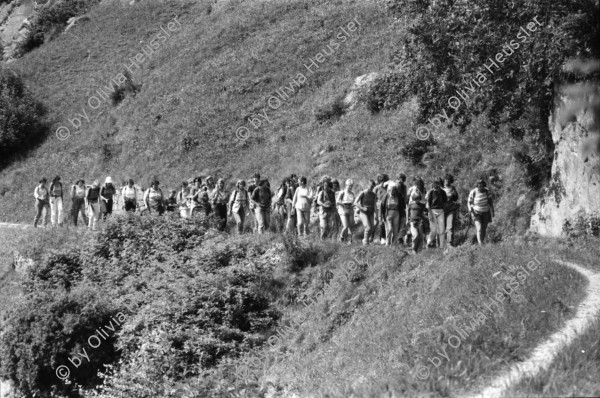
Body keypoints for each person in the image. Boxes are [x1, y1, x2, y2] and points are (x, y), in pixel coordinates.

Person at [468, 178, 495, 245]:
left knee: (484, 228)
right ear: (477, 185)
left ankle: (482, 241)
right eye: (480, 186)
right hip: (476, 212)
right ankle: (480, 244)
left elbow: (490, 202)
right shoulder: (473, 192)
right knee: (479, 228)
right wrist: (470, 209)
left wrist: (492, 211)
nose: (481, 187)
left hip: (486, 212)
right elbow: (469, 202)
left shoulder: (487, 191)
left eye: (482, 186)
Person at [381, 182, 405, 246]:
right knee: (389, 229)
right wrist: (381, 216)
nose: (392, 191)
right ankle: (388, 244)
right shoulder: (386, 196)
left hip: (396, 214)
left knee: (395, 230)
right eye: (391, 189)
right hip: (388, 214)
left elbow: (402, 206)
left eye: (393, 189)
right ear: (388, 190)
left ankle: (394, 245)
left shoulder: (399, 196)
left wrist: (403, 215)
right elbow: (382, 206)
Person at [426, 177, 448, 249]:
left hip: (441, 211)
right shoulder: (431, 192)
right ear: (433, 183)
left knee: (442, 230)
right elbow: (428, 204)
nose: (437, 185)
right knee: (434, 230)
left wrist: (443, 209)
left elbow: (445, 202)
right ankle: (428, 243)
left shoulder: (443, 192)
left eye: (439, 183)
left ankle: (441, 247)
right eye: (436, 183)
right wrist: (429, 214)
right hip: (432, 211)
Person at [354, 180, 377, 245]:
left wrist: (377, 215)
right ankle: (365, 243)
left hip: (371, 212)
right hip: (363, 212)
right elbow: (355, 202)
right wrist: (362, 208)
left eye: (372, 187)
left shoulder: (374, 195)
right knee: (368, 227)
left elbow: (375, 205)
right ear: (368, 185)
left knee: (372, 228)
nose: (371, 187)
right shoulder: (363, 193)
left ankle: (365, 239)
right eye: (370, 186)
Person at [408, 178, 427, 254]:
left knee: (421, 236)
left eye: (418, 199)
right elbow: (408, 210)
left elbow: (423, 212)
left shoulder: (422, 204)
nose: (417, 200)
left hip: (420, 221)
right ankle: (413, 249)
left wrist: (425, 217)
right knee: (415, 236)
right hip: (413, 221)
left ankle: (419, 250)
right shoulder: (411, 204)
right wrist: (407, 219)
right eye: (416, 199)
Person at [336, 179, 355, 244]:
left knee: (351, 226)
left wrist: (352, 206)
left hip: (350, 210)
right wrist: (343, 204)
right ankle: (341, 237)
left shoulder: (352, 193)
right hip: (343, 210)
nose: (350, 187)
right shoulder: (342, 192)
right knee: (345, 226)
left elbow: (353, 202)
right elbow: (337, 201)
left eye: (351, 186)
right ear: (346, 185)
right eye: (349, 186)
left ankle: (350, 240)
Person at [443, 173, 459, 246]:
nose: (447, 181)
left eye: (449, 180)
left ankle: (449, 243)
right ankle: (443, 242)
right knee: (443, 227)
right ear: (444, 180)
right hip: (442, 210)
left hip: (451, 208)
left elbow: (456, 198)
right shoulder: (440, 188)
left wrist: (453, 195)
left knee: (450, 226)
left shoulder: (453, 188)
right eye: (446, 179)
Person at [374, 174, 389, 244]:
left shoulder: (388, 188)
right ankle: (374, 237)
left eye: (384, 181)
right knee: (378, 223)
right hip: (378, 207)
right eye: (381, 181)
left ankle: (383, 237)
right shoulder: (377, 188)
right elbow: (373, 197)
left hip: (386, 207)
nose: (383, 182)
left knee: (384, 222)